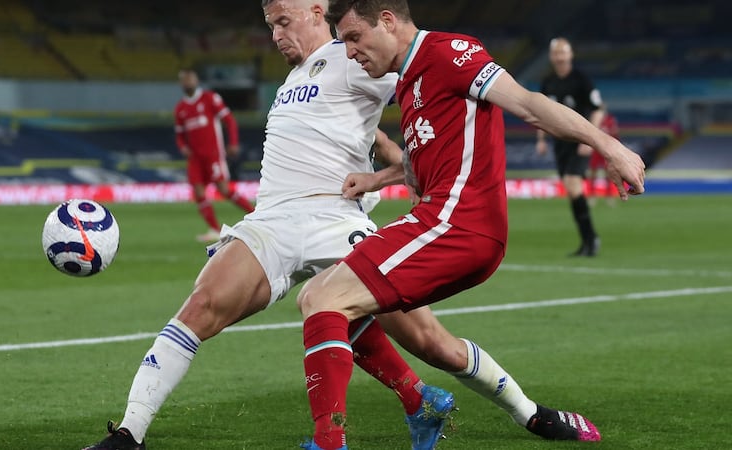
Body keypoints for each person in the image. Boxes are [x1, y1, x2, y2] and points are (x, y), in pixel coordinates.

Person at [84, 2, 615, 449]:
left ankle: (529, 412)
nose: (276, 35)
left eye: (283, 21)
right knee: (200, 307)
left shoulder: (356, 56)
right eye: (270, 25)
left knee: (431, 342)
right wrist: (385, 165)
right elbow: (381, 140)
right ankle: (130, 432)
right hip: (271, 220)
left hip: (335, 220)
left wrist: (393, 175)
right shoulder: (295, 79)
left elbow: (422, 99)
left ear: (316, 11)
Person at [298, 1, 647, 449]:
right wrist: (377, 179)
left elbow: (529, 104)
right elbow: (426, 159)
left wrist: (609, 146)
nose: (350, 53)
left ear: (386, 21)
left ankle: (330, 442)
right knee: (421, 339)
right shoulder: (408, 82)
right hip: (443, 223)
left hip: (458, 224)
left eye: (353, 38)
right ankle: (532, 415)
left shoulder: (449, 53)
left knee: (323, 298)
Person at [536, 38, 605, 256]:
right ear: (551, 57)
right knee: (570, 188)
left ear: (570, 54)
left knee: (573, 184)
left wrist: (591, 139)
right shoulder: (548, 82)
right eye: (556, 53)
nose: (560, 57)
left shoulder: (581, 80)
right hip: (560, 143)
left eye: (563, 52)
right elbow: (540, 113)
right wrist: (541, 139)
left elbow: (598, 109)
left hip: (580, 140)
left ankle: (591, 239)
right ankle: (587, 241)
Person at [174, 68, 255, 242]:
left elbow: (229, 120)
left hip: (213, 155)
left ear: (196, 80)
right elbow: (180, 135)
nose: (188, 82)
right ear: (181, 84)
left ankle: (256, 215)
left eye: (190, 78)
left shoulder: (210, 98)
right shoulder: (180, 108)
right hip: (195, 158)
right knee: (198, 193)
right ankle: (214, 229)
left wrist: (233, 142)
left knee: (224, 190)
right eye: (184, 80)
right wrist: (182, 147)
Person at [588, 108, 621, 202]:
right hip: (595, 150)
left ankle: (609, 195)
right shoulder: (593, 120)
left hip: (606, 149)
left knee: (609, 173)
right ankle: (592, 195)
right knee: (593, 173)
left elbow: (615, 133)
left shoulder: (610, 120)